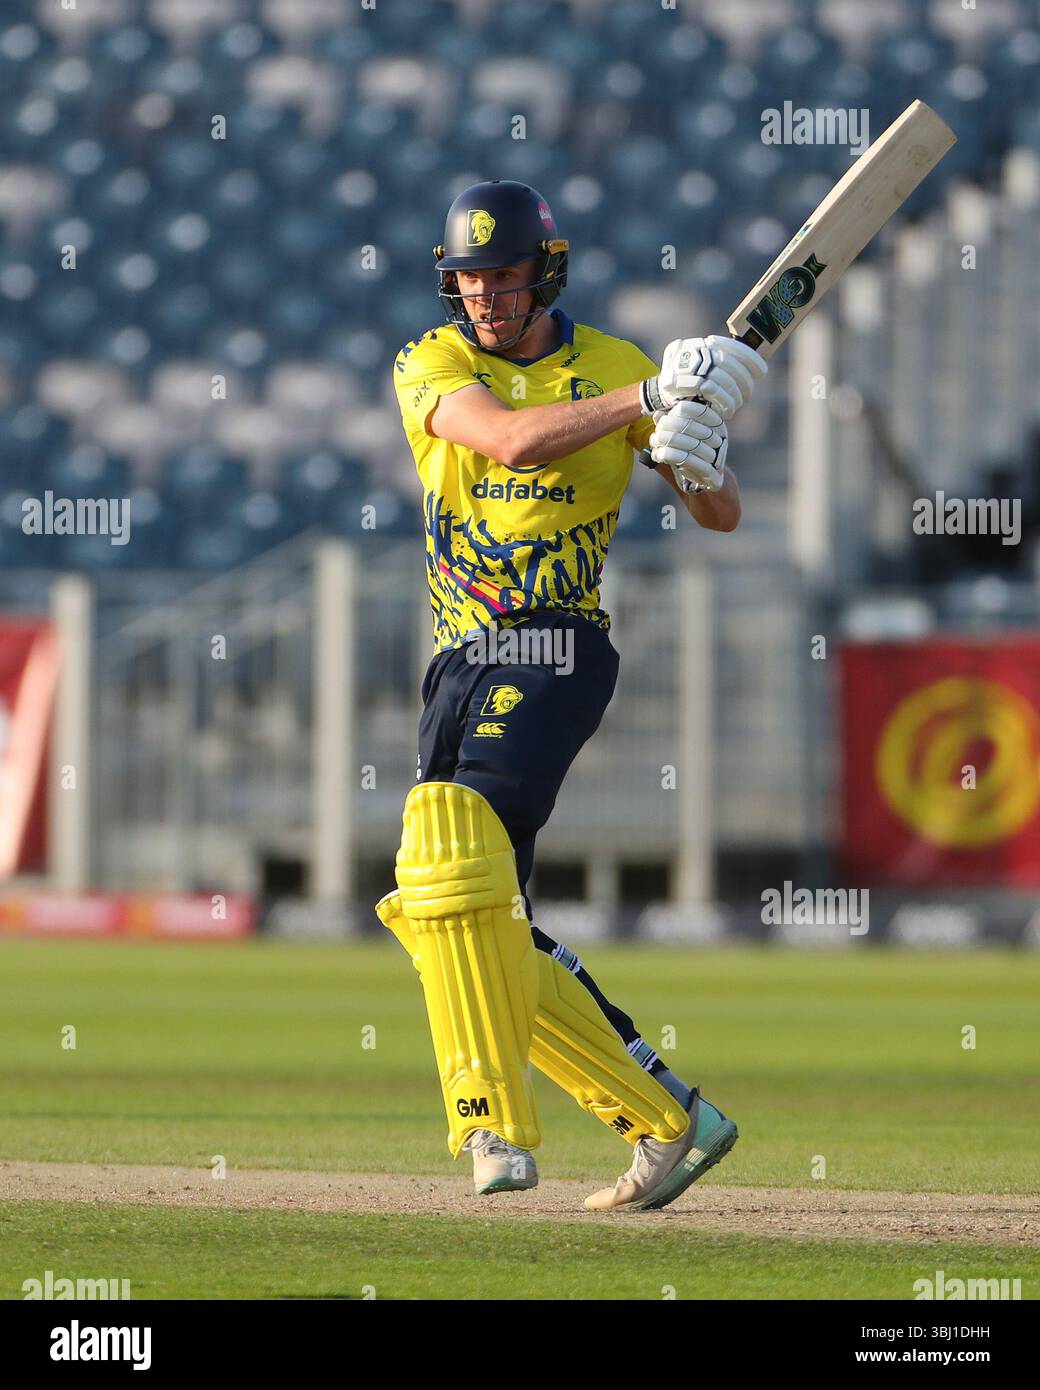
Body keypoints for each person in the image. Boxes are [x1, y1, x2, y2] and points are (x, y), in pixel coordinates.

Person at [376, 180, 766, 1211]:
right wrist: (645, 404)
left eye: (503, 277)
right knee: (458, 908)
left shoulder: (615, 366)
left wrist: (694, 453)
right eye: (468, 278)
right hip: (458, 655)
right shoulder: (434, 361)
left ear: (542, 272)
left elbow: (716, 513)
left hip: (556, 642)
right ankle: (670, 1119)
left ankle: (490, 1129)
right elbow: (504, 439)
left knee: (447, 838)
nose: (485, 298)